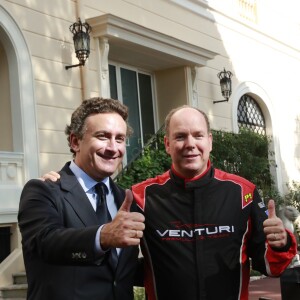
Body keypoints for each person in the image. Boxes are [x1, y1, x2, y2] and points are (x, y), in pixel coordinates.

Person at [42, 105, 297, 300]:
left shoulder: (244, 192)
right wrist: (66, 182)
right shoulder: (139, 196)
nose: (190, 144)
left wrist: (282, 242)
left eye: (198, 135)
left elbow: (270, 266)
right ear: (167, 144)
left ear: (210, 141)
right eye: (180, 136)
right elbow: (104, 246)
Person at [18, 97, 145, 300]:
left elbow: (121, 271)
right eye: (103, 136)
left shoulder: (127, 199)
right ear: (75, 141)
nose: (113, 147)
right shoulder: (43, 191)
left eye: (119, 139)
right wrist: (103, 236)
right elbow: (46, 243)